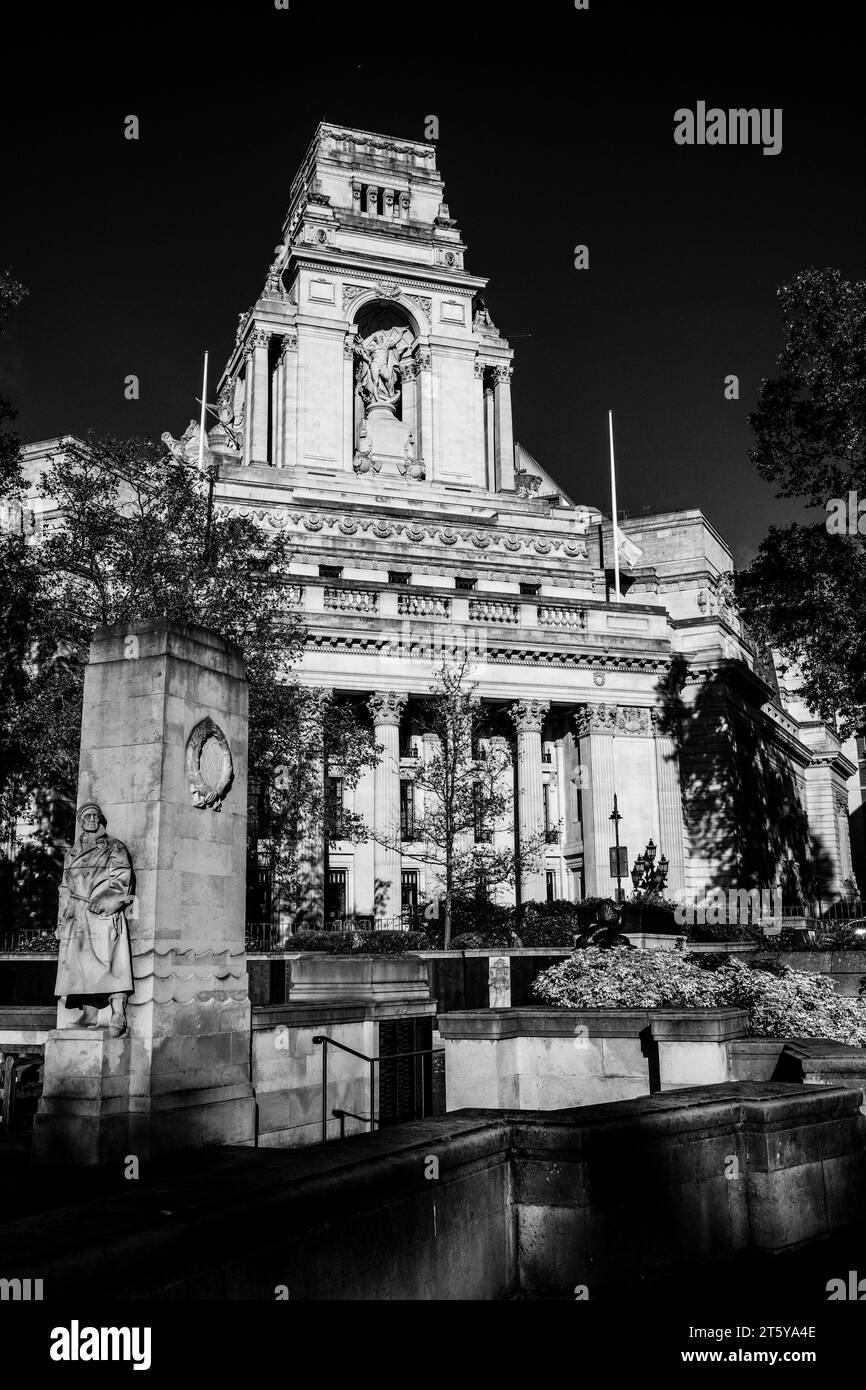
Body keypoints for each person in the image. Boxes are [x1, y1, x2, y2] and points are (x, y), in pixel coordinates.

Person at [55, 802, 134, 1037]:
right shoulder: (72, 852)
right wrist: (61, 921)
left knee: (111, 963)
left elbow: (122, 877)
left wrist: (109, 900)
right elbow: (64, 888)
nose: (91, 819)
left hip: (100, 912)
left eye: (95, 815)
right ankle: (89, 1013)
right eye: (86, 816)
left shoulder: (114, 846)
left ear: (100, 819)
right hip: (75, 914)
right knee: (80, 968)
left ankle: (118, 1011)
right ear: (80, 821)